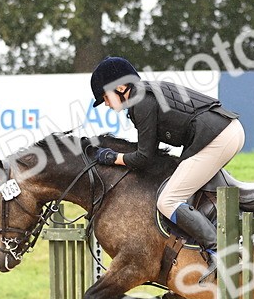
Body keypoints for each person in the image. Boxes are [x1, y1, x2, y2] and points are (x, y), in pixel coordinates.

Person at [89, 56, 244, 272]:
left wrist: (112, 157)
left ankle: (222, 251)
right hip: (223, 132)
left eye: (105, 97)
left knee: (168, 201)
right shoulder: (143, 96)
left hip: (218, 137)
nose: (106, 103)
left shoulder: (141, 102)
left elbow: (144, 158)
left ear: (121, 88)